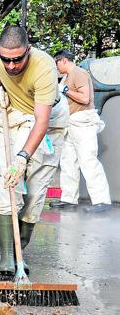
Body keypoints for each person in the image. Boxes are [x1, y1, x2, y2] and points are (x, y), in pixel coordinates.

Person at [0, 25, 69, 279]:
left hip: (47, 120)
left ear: (28, 51)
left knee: (34, 193)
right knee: (8, 182)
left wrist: (22, 158)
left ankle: (20, 247)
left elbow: (41, 122)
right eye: (6, 60)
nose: (11, 66)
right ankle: (8, 257)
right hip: (12, 117)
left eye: (17, 59)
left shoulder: (44, 68)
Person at [49, 49, 111, 213]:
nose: (56, 67)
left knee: (88, 161)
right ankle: (69, 199)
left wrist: (65, 90)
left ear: (63, 60)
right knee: (68, 163)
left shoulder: (79, 73)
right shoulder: (67, 77)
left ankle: (102, 201)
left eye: (56, 63)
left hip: (83, 123)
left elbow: (85, 98)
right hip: (70, 124)